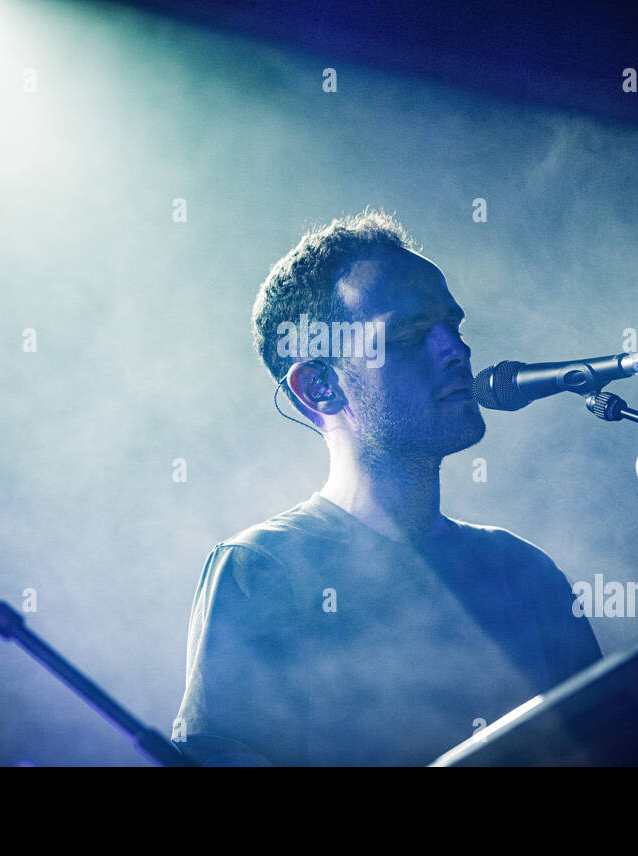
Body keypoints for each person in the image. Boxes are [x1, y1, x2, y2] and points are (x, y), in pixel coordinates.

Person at [172, 209, 601, 765]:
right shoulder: (260, 569)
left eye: (454, 325)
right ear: (319, 386)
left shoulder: (525, 571)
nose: (455, 348)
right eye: (409, 334)